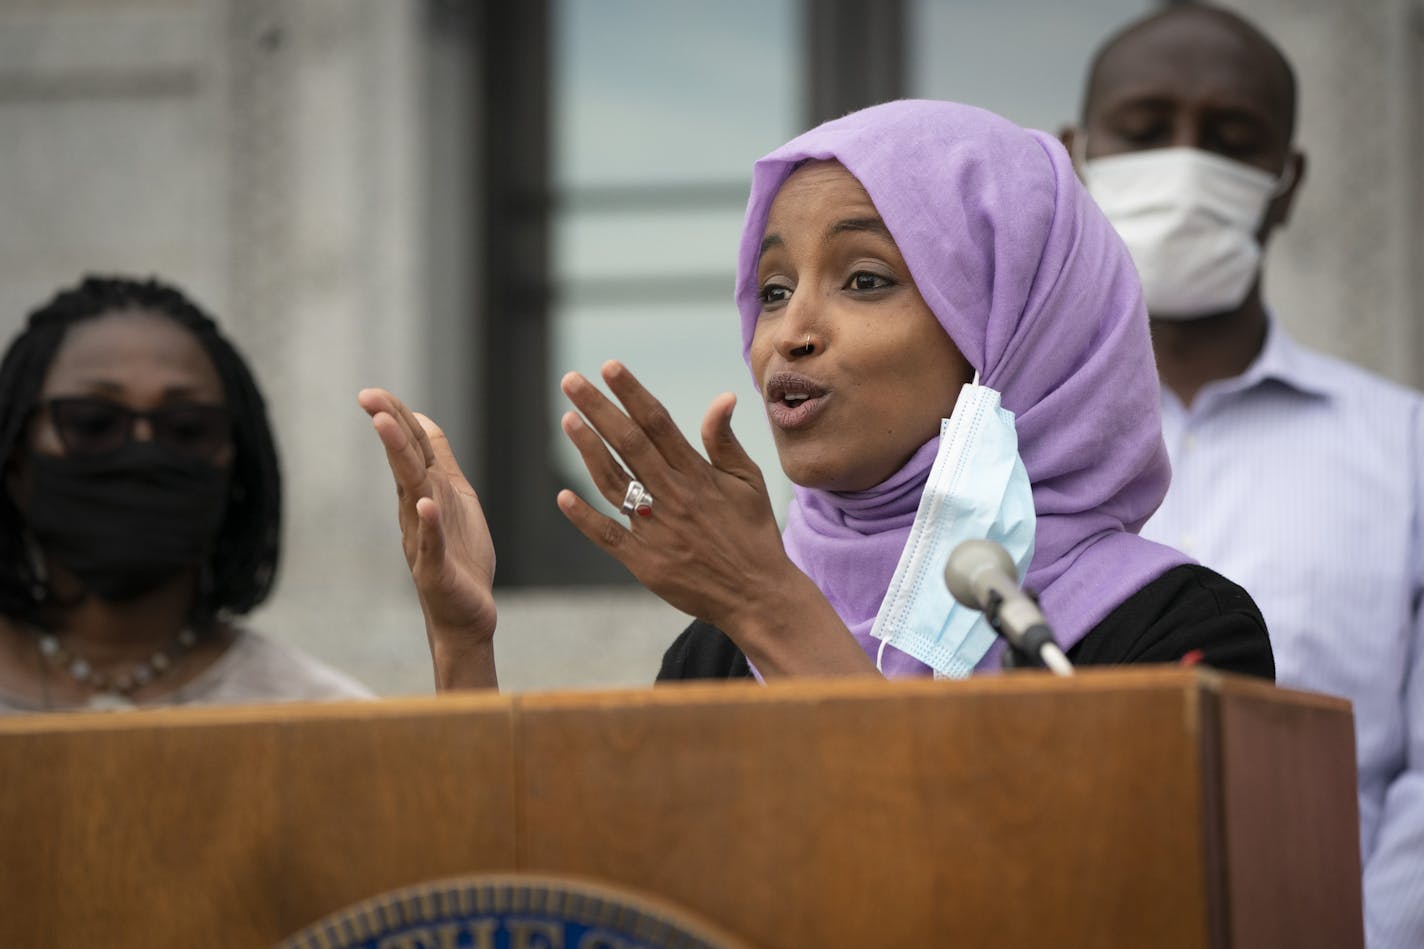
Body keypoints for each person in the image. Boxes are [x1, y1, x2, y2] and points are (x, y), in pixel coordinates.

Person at [363, 99, 1273, 695]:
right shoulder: (719, 654)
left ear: (1016, 328)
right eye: (770, 289)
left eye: (865, 278)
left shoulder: (1174, 634)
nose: (789, 332)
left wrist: (770, 607)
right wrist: (464, 640)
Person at [1063, 6, 1423, 946]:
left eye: (1231, 139)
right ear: (1074, 157)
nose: (1186, 168)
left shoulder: (1407, 453)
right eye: (1145, 133)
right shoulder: (972, 449)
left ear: (1288, 181)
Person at [0, 275, 372, 712]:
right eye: (93, 423)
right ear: (17, 460)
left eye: (187, 428)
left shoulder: (320, 716)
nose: (141, 451)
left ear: (235, 465)